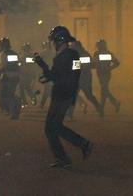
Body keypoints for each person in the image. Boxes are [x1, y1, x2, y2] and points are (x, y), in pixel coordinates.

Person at [34, 26, 93, 169]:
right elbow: (71, 74)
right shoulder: (72, 55)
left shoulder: (66, 56)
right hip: (64, 93)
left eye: (54, 41)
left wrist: (42, 65)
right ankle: (71, 152)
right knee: (54, 127)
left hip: (62, 94)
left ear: (59, 40)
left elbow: (62, 75)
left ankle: (77, 147)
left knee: (51, 127)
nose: (53, 44)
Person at [71, 41, 103, 117]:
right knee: (89, 95)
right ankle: (99, 109)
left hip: (79, 77)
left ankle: (70, 114)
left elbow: (76, 68)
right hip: (87, 76)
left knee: (73, 95)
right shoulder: (86, 54)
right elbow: (93, 65)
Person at [0, 37, 21, 119]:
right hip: (15, 76)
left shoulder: (3, 54)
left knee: (2, 94)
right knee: (11, 94)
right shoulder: (14, 53)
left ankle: (11, 111)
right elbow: (16, 64)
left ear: (2, 45)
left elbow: (2, 65)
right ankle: (13, 111)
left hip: (7, 77)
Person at [93, 39, 120, 115]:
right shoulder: (108, 54)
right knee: (104, 90)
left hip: (103, 73)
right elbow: (117, 63)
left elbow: (94, 63)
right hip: (105, 73)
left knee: (104, 90)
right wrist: (110, 68)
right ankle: (114, 103)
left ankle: (103, 107)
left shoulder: (97, 54)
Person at [19, 43, 38, 108]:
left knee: (21, 88)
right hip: (30, 75)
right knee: (27, 88)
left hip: (24, 74)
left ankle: (25, 102)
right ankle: (33, 97)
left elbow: (22, 64)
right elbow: (34, 66)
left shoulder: (24, 56)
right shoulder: (32, 56)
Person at [39, 41, 54, 109]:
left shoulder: (44, 52)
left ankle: (42, 104)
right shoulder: (53, 52)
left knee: (47, 89)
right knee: (48, 88)